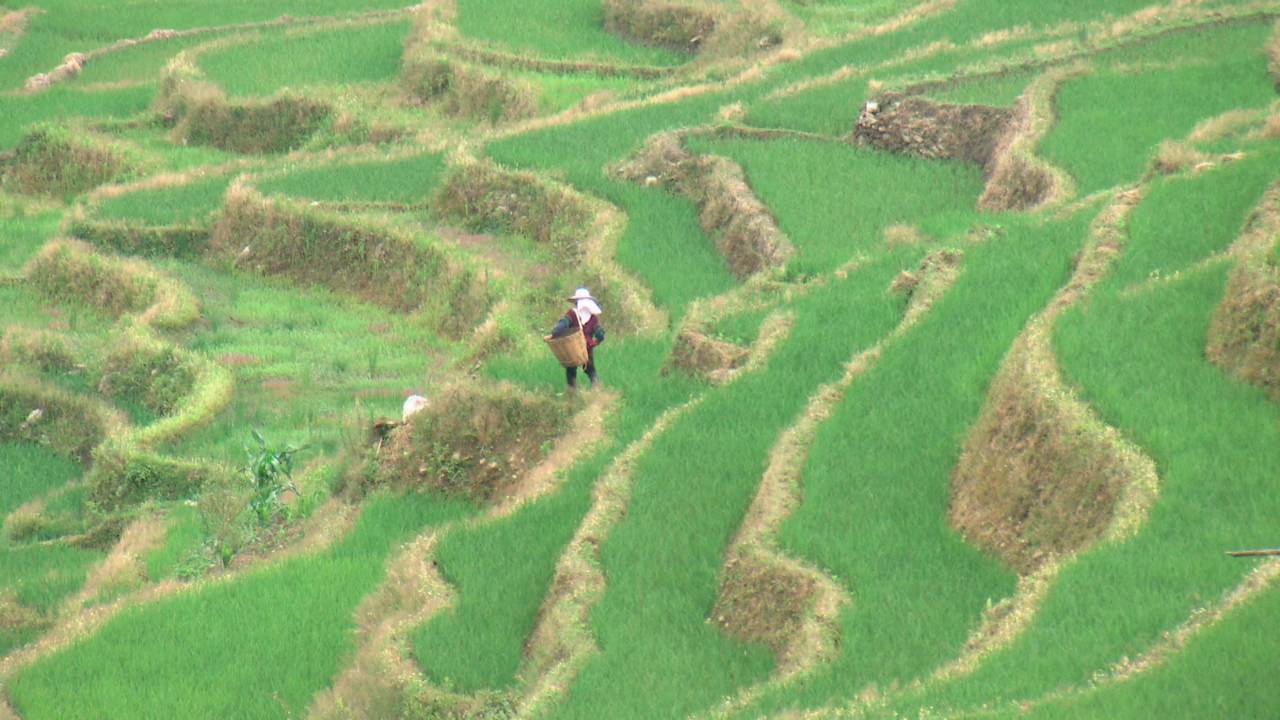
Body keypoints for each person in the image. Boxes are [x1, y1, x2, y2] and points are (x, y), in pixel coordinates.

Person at [553, 287, 604, 389]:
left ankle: (572, 393)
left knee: (571, 371)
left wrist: (555, 332)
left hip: (573, 349)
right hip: (587, 350)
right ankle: (598, 391)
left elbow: (563, 324)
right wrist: (595, 341)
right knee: (590, 371)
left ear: (577, 302)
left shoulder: (572, 314)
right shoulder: (593, 317)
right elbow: (600, 334)